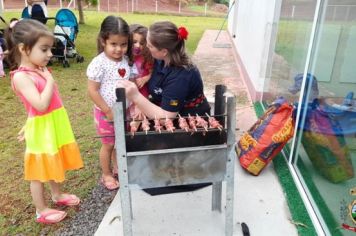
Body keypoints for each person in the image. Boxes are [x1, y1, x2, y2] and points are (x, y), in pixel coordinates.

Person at [5, 19, 83, 224]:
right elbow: (39, 105)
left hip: (52, 123)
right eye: (45, 49)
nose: (50, 54)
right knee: (38, 172)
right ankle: (41, 210)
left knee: (52, 161)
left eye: (51, 49)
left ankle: (57, 195)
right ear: (23, 49)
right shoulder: (22, 77)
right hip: (42, 127)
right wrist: (49, 80)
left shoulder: (38, 70)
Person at [117, 21, 211, 119]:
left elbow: (166, 117)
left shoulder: (180, 77)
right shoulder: (159, 59)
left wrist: (136, 97)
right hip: (162, 109)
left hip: (189, 121)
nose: (147, 47)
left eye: (150, 46)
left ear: (164, 51)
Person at [87, 16, 136, 190]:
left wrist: (134, 105)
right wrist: (107, 110)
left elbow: (132, 82)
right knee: (108, 144)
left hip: (125, 110)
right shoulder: (99, 63)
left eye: (123, 44)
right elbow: (92, 90)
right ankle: (106, 174)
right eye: (113, 44)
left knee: (121, 140)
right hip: (105, 112)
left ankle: (118, 167)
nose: (118, 49)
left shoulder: (127, 61)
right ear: (103, 41)